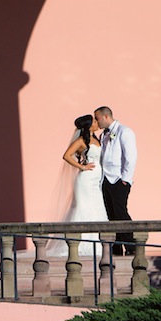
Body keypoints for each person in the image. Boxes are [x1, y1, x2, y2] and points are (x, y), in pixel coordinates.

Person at [50, 115, 107, 259]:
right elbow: (67, 155)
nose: (96, 122)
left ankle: (98, 243)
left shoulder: (97, 139)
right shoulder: (81, 141)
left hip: (97, 180)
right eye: (94, 121)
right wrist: (82, 166)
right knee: (84, 207)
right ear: (88, 126)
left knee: (97, 206)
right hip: (86, 180)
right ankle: (81, 244)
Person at [94, 106, 137, 255]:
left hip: (119, 179)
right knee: (111, 214)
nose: (96, 121)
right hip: (106, 179)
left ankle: (131, 245)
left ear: (106, 117)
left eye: (97, 118)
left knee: (120, 212)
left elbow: (130, 157)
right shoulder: (103, 135)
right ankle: (117, 246)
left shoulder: (124, 131)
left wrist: (125, 179)